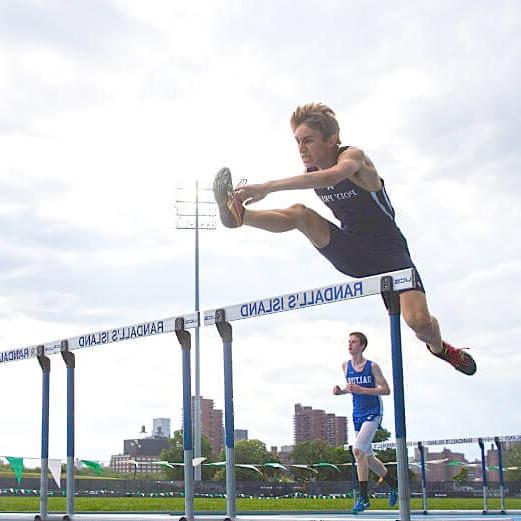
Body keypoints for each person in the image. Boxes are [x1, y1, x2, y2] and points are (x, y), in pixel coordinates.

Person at [213, 102, 476, 375]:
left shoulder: (355, 159)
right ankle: (241, 217)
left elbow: (334, 177)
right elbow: (319, 181)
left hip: (390, 252)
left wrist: (268, 186)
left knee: (420, 324)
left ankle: (441, 349)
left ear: (331, 140)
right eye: (297, 142)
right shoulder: (311, 173)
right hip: (353, 252)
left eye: (308, 141)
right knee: (301, 215)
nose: (301, 148)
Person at [333, 331, 397, 513]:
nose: (349, 345)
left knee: (357, 450)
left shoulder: (372, 366)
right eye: (348, 342)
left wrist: (362, 389)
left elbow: (386, 390)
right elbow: (351, 388)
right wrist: (341, 391)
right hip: (357, 414)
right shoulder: (345, 366)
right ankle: (394, 484)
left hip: (373, 412)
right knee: (367, 457)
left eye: (353, 342)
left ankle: (363, 498)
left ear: (362, 346)